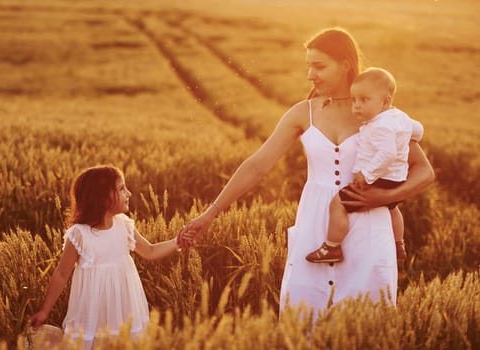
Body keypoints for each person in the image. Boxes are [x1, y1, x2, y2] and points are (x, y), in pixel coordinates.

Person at [179, 27, 434, 315]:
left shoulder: (377, 114)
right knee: (303, 321)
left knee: (365, 324)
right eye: (309, 66)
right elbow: (257, 165)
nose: (310, 75)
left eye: (319, 66)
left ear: (346, 65)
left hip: (370, 233)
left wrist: (383, 199)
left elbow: (424, 172)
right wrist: (211, 213)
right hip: (315, 229)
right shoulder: (303, 112)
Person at [29, 165, 187, 349]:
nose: (129, 193)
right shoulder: (79, 234)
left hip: (125, 306)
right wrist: (44, 311)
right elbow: (61, 274)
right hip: (92, 311)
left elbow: (150, 251)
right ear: (102, 198)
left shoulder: (124, 226)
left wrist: (178, 241)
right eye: (121, 189)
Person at [305, 67, 424, 264]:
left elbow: (387, 154)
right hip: (396, 178)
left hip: (379, 179)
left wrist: (367, 174)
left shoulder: (380, 126)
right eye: (354, 100)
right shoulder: (399, 117)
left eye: (364, 100)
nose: (357, 107)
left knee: (338, 204)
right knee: (393, 208)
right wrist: (412, 136)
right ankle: (398, 244)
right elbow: (417, 129)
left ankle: (332, 247)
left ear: (385, 102)